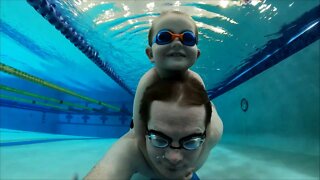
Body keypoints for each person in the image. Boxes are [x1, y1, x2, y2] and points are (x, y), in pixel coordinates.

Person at [131, 10, 223, 177]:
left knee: (215, 133)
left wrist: (191, 168)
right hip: (158, 122)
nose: (177, 42)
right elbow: (138, 135)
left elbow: (207, 136)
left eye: (187, 38)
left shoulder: (196, 79)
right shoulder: (148, 80)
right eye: (165, 37)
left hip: (203, 119)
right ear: (150, 54)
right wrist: (158, 171)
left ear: (197, 54)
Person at [85, 76, 223, 179]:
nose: (173, 158)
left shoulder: (214, 132)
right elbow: (107, 170)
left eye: (191, 141)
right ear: (144, 131)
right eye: (160, 139)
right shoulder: (131, 149)